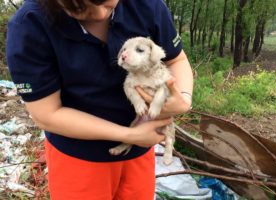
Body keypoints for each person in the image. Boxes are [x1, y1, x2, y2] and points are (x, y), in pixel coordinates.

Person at [6, 0, 194, 199]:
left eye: (107, 3)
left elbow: (176, 59)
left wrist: (183, 97)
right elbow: (46, 114)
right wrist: (129, 136)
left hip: (141, 149)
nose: (100, 14)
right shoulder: (29, 26)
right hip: (78, 157)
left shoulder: (146, 5)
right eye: (79, 7)